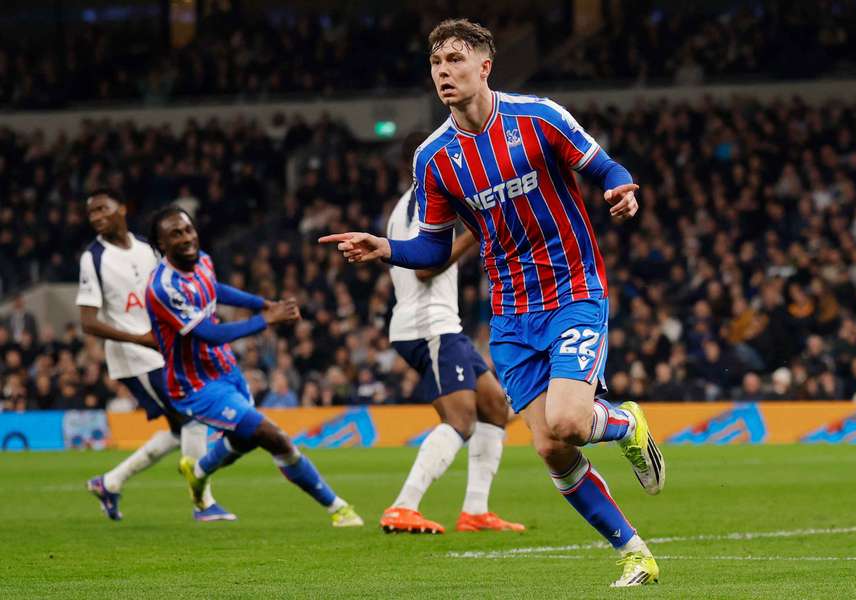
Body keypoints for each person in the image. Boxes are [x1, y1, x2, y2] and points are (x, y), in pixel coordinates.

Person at [321, 19, 664, 587]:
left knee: (570, 421)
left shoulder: (538, 117)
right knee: (551, 448)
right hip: (509, 314)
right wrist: (386, 248)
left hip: (573, 290)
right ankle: (634, 553)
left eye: (455, 59)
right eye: (436, 62)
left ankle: (626, 424)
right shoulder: (433, 157)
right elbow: (433, 248)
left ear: (485, 67)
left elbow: (604, 165)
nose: (443, 71)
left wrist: (620, 188)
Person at [145, 205, 362, 528]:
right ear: (161, 244)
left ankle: (199, 471)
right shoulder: (163, 288)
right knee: (271, 435)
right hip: (195, 384)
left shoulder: (202, 260)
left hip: (225, 369)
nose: (187, 238)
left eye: (188, 229)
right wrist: (266, 319)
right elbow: (209, 333)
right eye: (176, 234)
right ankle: (338, 508)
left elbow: (216, 290)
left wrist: (262, 304)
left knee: (246, 438)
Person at [379, 132, 524, 535]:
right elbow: (424, 269)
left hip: (441, 325)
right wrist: (475, 234)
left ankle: (476, 510)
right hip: (429, 325)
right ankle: (403, 506)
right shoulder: (421, 203)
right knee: (460, 419)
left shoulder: (414, 203)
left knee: (494, 407)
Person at [77, 189, 233, 522]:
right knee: (193, 416)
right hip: (135, 357)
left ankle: (110, 482)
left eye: (102, 208)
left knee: (180, 430)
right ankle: (203, 503)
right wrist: (140, 339)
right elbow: (88, 321)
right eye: (91, 213)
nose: (96, 217)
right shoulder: (94, 257)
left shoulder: (147, 247)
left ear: (122, 208)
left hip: (166, 350)